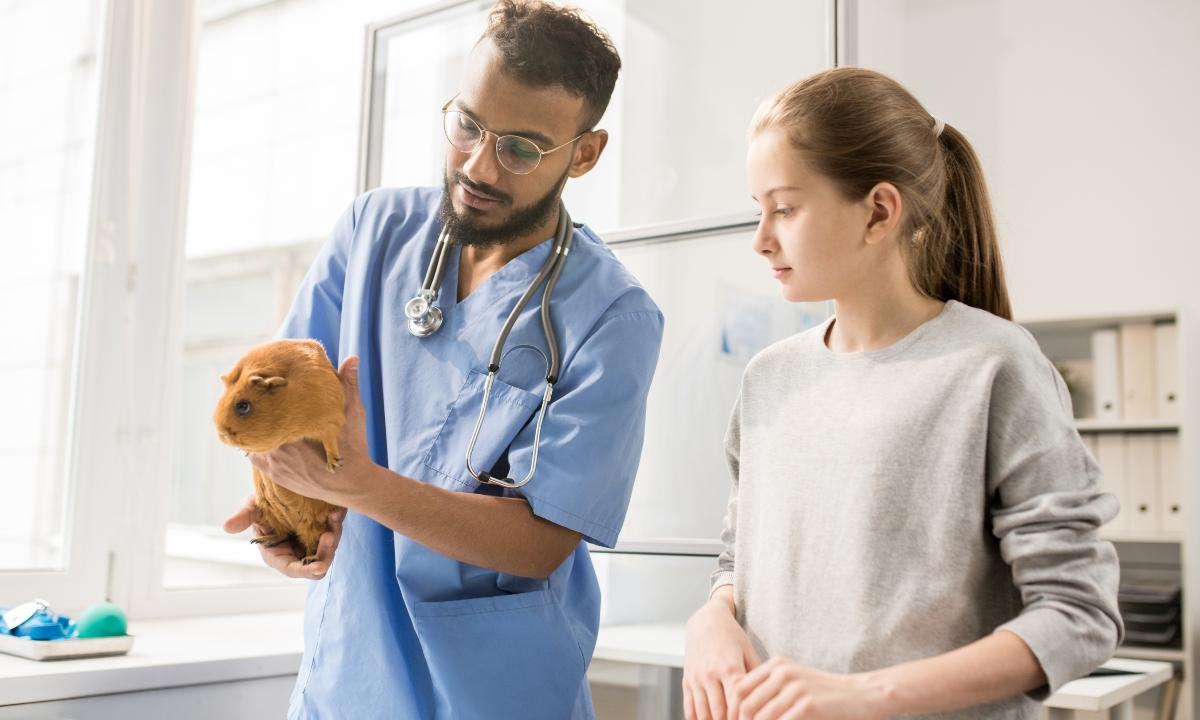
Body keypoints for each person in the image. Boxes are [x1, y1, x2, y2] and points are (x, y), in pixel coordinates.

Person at [222, 3, 664, 717]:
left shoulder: (614, 316)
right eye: (466, 125)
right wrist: (284, 518)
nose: (478, 166)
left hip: (496, 692)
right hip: (351, 678)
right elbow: (289, 412)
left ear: (584, 153)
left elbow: (543, 541)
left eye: (521, 149)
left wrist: (360, 487)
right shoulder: (374, 230)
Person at [681, 67, 1122, 720]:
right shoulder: (768, 378)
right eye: (758, 209)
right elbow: (737, 561)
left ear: (880, 212)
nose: (761, 238)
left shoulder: (992, 367)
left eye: (785, 208)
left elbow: (1079, 615)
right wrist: (713, 618)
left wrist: (866, 694)